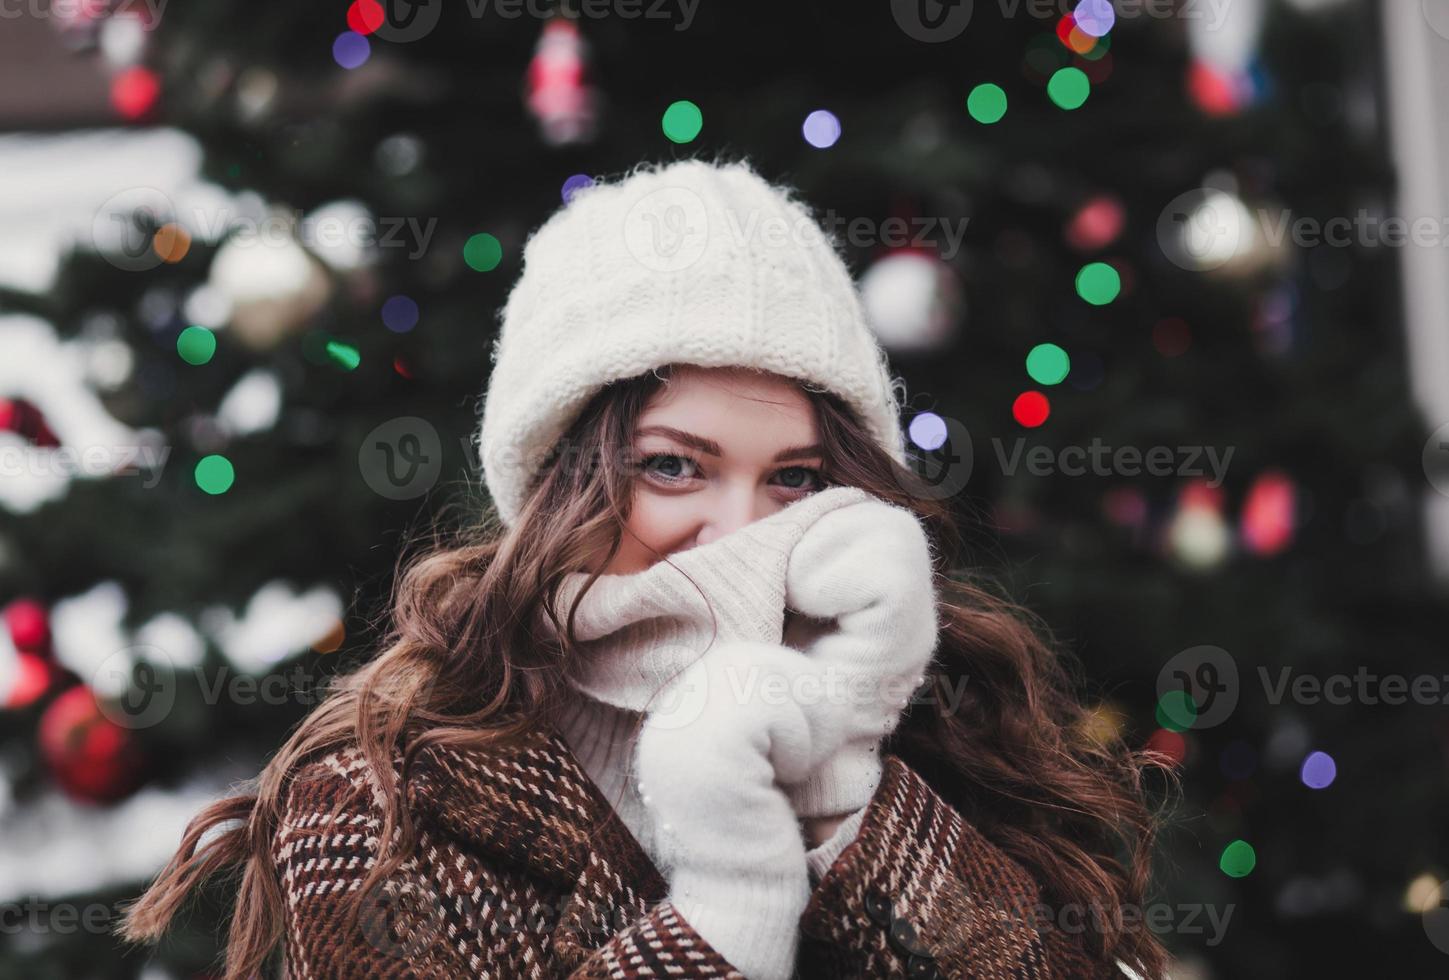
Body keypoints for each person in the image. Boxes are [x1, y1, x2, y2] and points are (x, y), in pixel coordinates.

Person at [118, 158, 1172, 979]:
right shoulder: (383, 790)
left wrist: (845, 790)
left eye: (794, 476)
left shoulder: (939, 716)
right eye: (673, 466)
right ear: (563, 482)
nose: (736, 529)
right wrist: (729, 907)